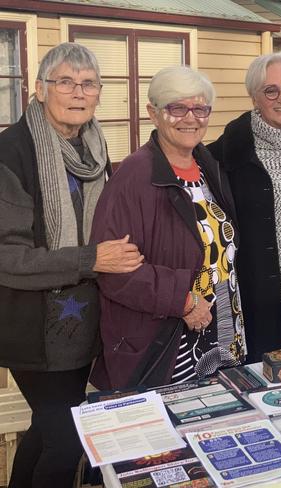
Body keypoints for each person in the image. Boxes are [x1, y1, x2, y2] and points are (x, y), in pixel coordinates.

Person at [0, 43, 143, 487]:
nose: (77, 93)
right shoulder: (12, 153)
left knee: (47, 431)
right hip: (31, 329)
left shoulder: (96, 150)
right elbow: (8, 257)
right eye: (65, 82)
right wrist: (91, 258)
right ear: (40, 90)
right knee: (68, 442)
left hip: (82, 327)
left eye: (88, 84)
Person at [90, 66, 246, 390]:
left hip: (222, 330)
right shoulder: (134, 177)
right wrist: (183, 301)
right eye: (177, 108)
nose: (191, 118)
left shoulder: (208, 168)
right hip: (167, 344)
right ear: (153, 113)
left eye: (200, 108)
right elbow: (115, 271)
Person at [208, 52, 281, 362]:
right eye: (271, 90)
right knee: (259, 386)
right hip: (254, 296)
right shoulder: (224, 155)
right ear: (254, 97)